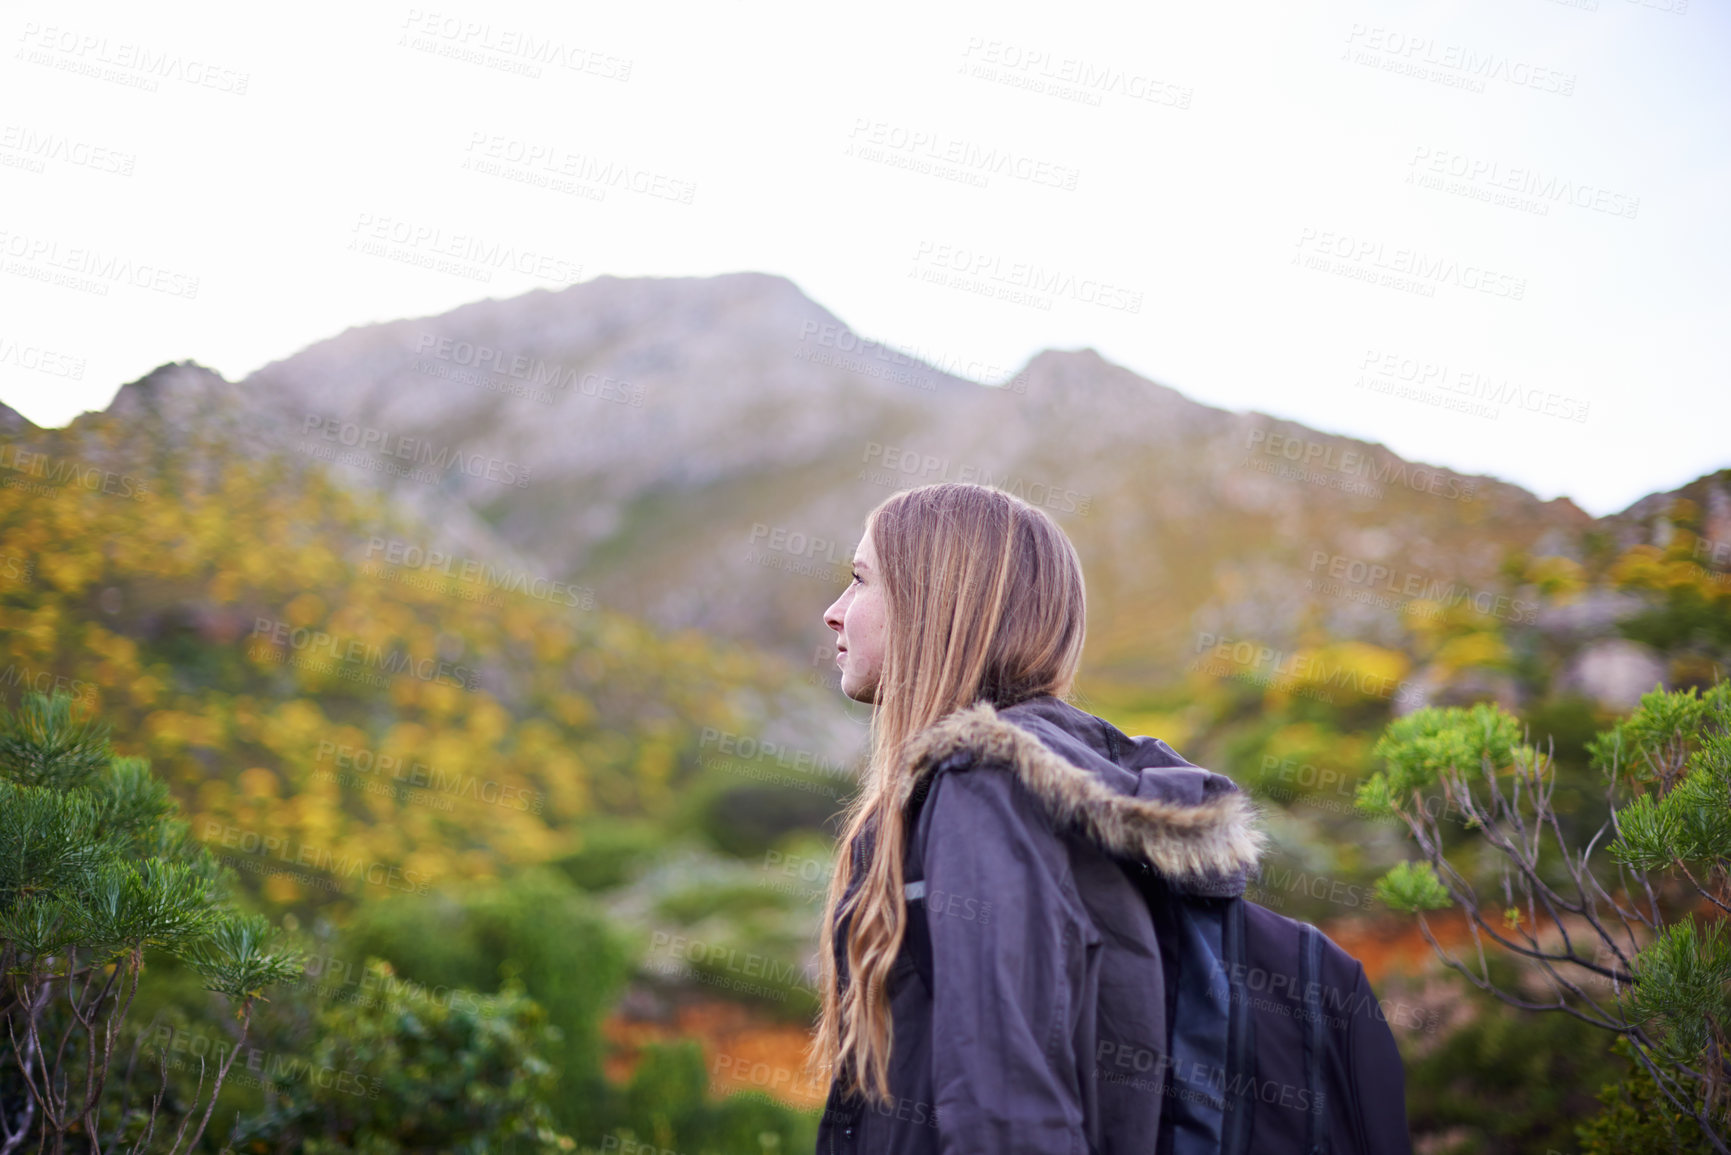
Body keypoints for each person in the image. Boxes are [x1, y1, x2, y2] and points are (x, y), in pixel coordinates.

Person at [809, 482, 1411, 1154]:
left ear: (937, 604)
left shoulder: (981, 788)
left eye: (861, 580)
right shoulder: (1056, 792)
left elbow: (1008, 1110)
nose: (835, 613)